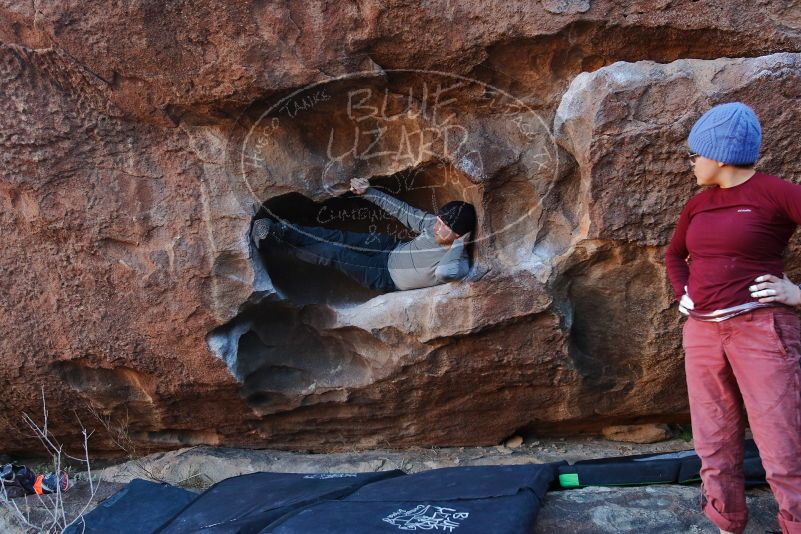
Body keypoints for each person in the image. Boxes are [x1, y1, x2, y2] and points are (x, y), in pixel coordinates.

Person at [665, 101, 801, 534]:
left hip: (761, 328)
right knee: (712, 438)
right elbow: (674, 255)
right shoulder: (698, 204)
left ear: (720, 155)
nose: (690, 163)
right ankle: (726, 522)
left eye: (694, 154)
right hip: (701, 333)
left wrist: (798, 294)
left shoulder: (777, 193)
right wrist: (682, 292)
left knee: (783, 442)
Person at [250, 177, 476, 292]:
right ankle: (281, 230)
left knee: (334, 253)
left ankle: (277, 244)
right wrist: (369, 192)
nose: (436, 227)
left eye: (443, 226)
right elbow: (405, 213)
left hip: (386, 277)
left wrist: (457, 244)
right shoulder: (433, 226)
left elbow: (447, 273)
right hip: (390, 248)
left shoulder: (458, 261)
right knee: (337, 237)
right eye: (438, 221)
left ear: (459, 235)